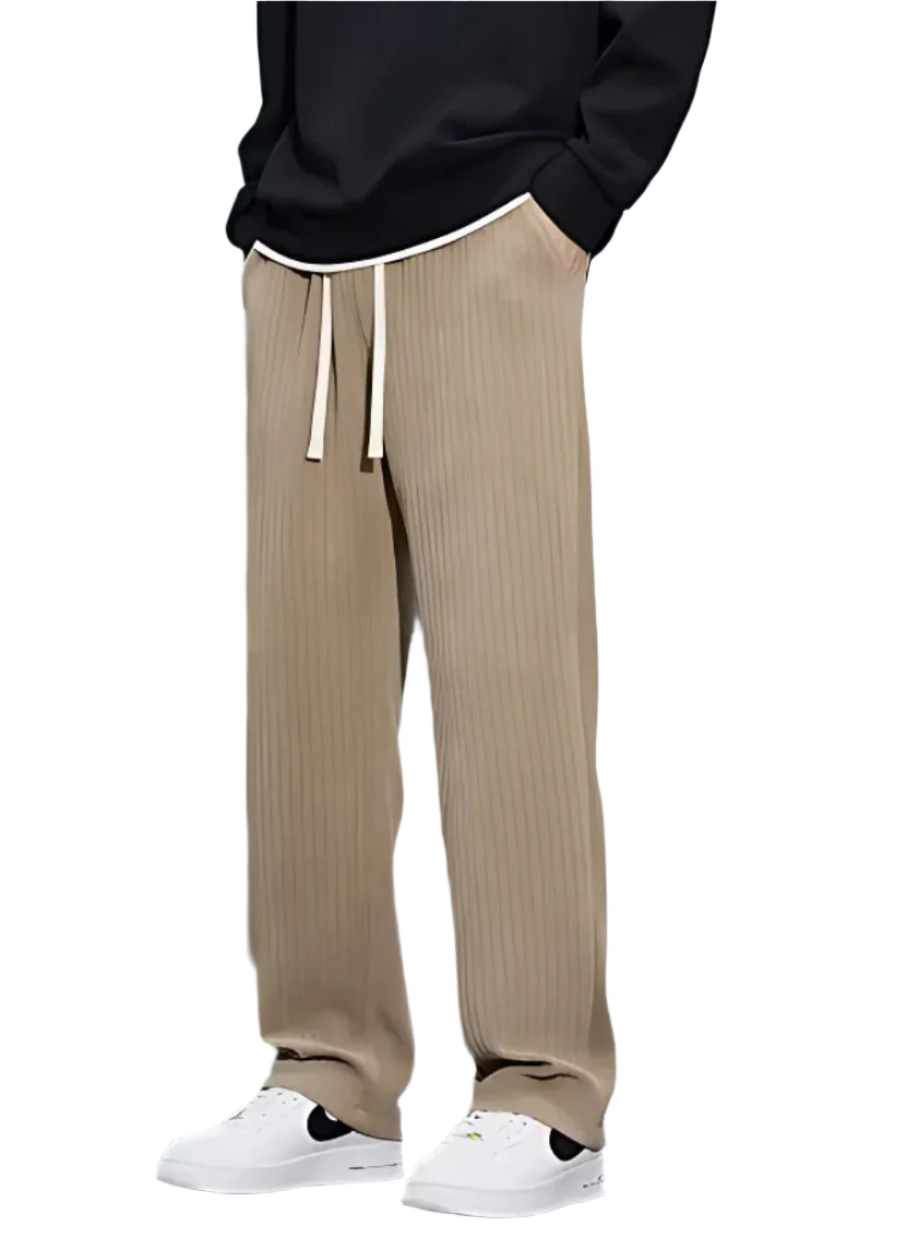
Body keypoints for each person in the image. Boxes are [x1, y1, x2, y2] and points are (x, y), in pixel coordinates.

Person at [158, 1, 715, 1218]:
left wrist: (585, 189)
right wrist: (269, 174)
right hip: (305, 248)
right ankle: (329, 1071)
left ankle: (543, 1087)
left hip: (493, 219)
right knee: (305, 697)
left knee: (510, 674)